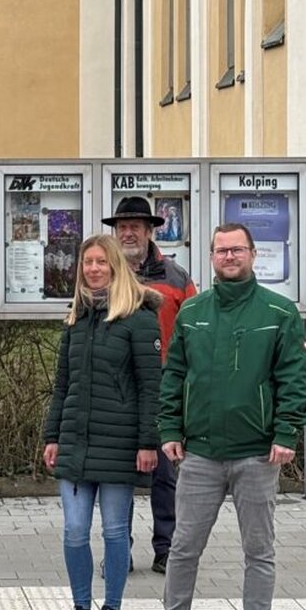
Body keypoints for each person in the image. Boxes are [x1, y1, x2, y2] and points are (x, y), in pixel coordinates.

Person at [148, 223, 306, 610]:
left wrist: (285, 434)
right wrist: (169, 429)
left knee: (258, 550)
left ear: (253, 254)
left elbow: (294, 380)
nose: (229, 257)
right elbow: (174, 375)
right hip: (199, 452)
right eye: (221, 250)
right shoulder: (194, 311)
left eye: (237, 249)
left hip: (257, 454)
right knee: (183, 547)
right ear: (212, 256)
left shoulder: (278, 312)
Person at [42, 234, 162, 610]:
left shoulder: (139, 319)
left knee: (114, 532)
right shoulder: (77, 320)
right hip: (75, 442)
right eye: (87, 262)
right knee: (75, 531)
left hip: (120, 444)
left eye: (101, 262)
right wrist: (52, 435)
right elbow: (62, 386)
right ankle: (81, 609)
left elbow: (151, 387)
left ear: (116, 267)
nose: (93, 269)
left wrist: (149, 442)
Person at [104, 194, 197, 570]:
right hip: (116, 387)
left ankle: (167, 549)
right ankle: (118, 551)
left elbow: (194, 332)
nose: (128, 233)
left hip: (163, 384)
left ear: (149, 231)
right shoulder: (103, 274)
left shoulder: (176, 277)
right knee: (116, 475)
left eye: (135, 227)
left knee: (165, 472)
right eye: (122, 227)